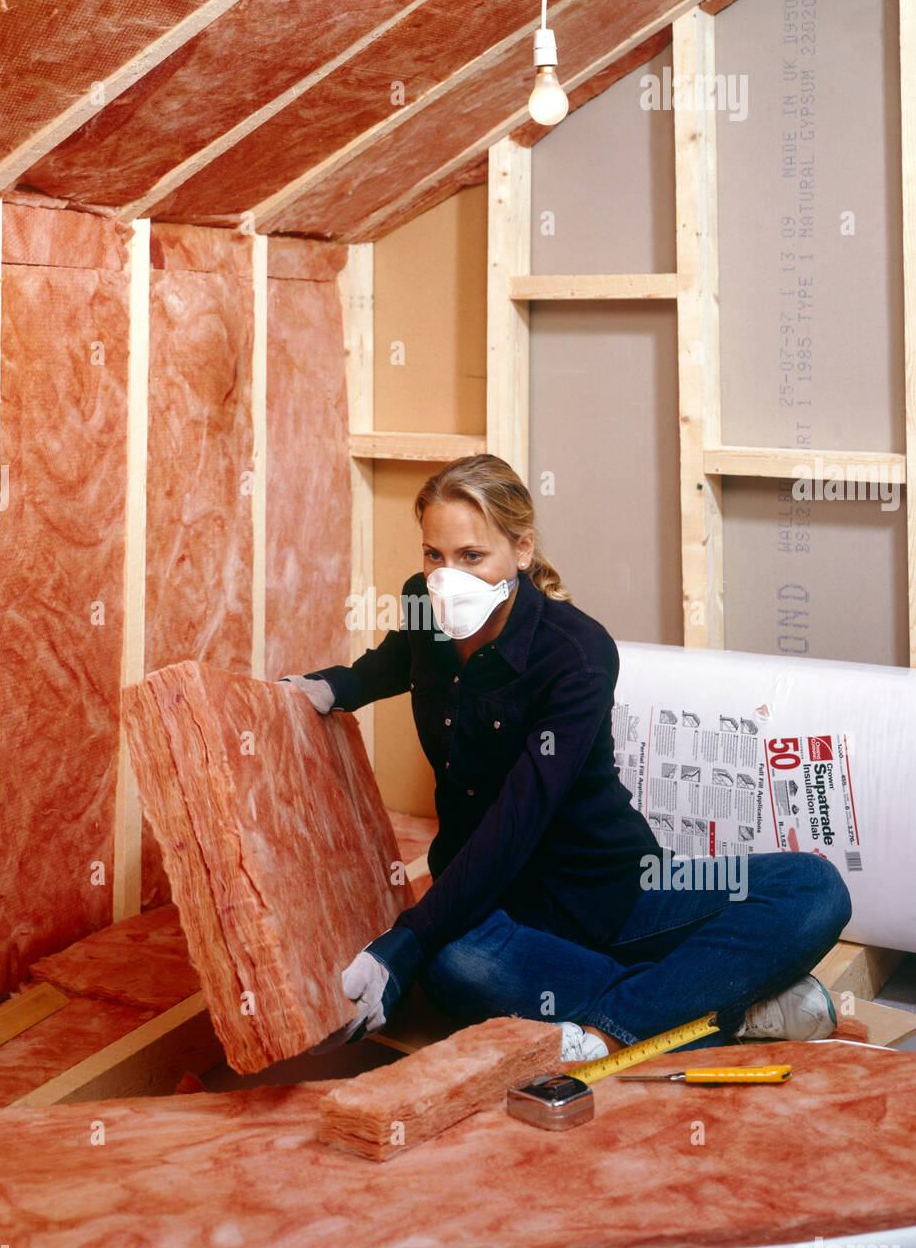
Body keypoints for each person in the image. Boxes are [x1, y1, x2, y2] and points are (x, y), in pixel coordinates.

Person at [280, 454, 851, 1062]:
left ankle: (613, 1025)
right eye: (434, 555)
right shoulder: (427, 604)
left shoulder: (577, 653)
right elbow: (404, 653)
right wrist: (338, 686)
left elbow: (517, 820)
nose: (447, 577)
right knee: (454, 963)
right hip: (495, 905)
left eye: (472, 557)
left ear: (521, 551)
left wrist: (402, 941)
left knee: (812, 888)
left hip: (614, 892)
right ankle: (724, 1011)